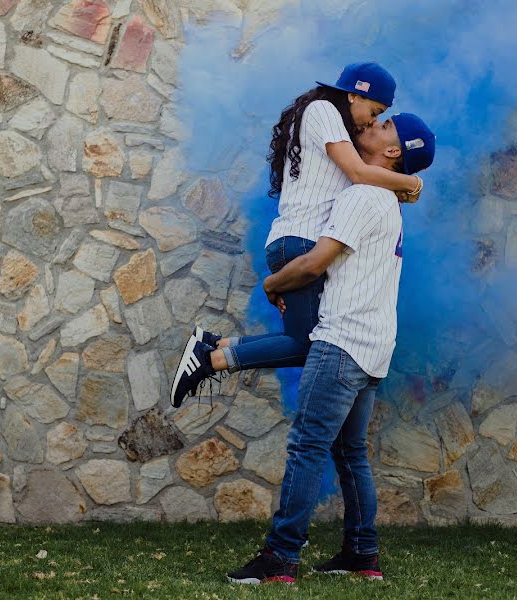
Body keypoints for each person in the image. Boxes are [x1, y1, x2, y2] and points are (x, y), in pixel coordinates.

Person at [226, 113, 436, 584]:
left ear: (394, 151)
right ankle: (362, 555)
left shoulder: (363, 196)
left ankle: (281, 558)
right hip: (374, 345)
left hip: (342, 340)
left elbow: (316, 263)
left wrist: (273, 281)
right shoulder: (387, 202)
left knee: (307, 447)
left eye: (385, 127)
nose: (374, 124)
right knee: (350, 452)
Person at [171, 62, 424, 407]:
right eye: (374, 111)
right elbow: (358, 172)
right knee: (309, 346)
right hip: (302, 243)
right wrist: (411, 183)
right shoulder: (325, 111)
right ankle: (209, 360)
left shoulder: (331, 121)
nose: (369, 122)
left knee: (301, 339)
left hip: (296, 241)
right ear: (354, 94)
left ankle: (216, 347)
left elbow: (359, 175)